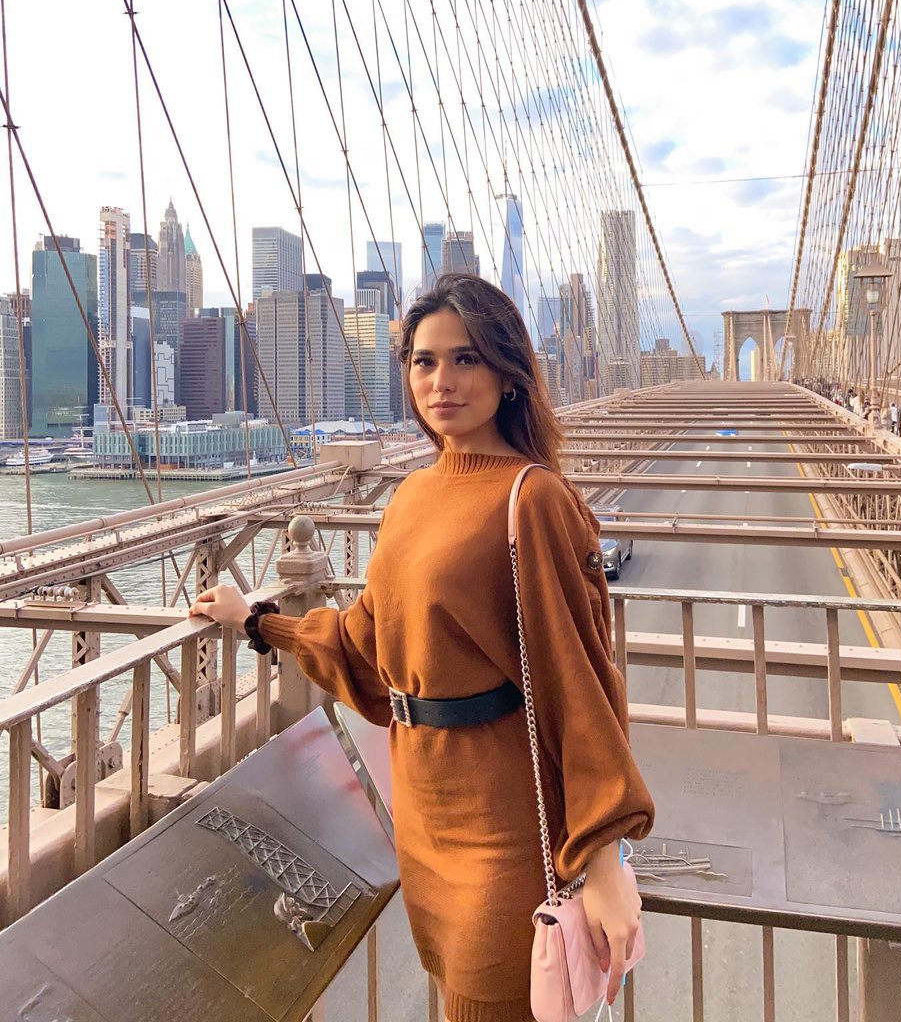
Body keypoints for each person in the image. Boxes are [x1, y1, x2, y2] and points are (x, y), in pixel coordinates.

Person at [191, 273, 654, 1022]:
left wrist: (601, 859)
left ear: (508, 376)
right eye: (424, 361)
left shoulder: (531, 499)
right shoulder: (413, 496)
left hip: (501, 831)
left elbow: (581, 681)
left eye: (466, 359)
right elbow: (367, 645)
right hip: (425, 812)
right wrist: (257, 621)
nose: (442, 381)